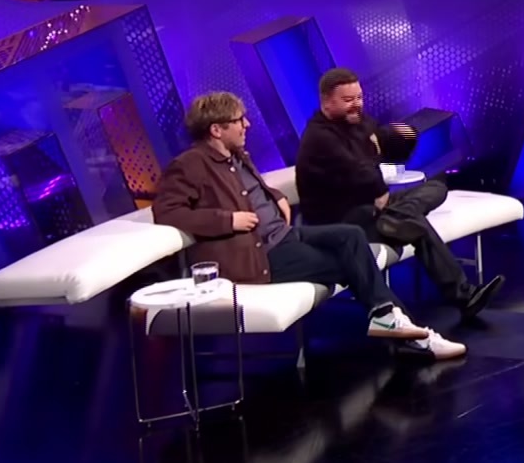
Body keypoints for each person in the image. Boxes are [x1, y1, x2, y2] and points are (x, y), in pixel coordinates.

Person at [155, 91, 464, 359]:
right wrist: (228, 220)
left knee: (351, 236)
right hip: (261, 255)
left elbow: (246, 190)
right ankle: (414, 337)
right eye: (239, 120)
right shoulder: (191, 164)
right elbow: (167, 212)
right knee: (355, 263)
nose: (246, 124)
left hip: (285, 235)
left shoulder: (236, 156)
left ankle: (391, 321)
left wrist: (276, 196)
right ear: (216, 129)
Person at [295, 69, 506, 321]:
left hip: (372, 208)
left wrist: (406, 133)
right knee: (415, 223)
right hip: (339, 219)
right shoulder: (319, 136)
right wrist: (379, 187)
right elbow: (358, 169)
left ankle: (395, 216)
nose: (357, 104)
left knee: (437, 186)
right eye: (348, 100)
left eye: (359, 97)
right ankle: (464, 296)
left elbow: (389, 139)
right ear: (326, 102)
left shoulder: (358, 123)